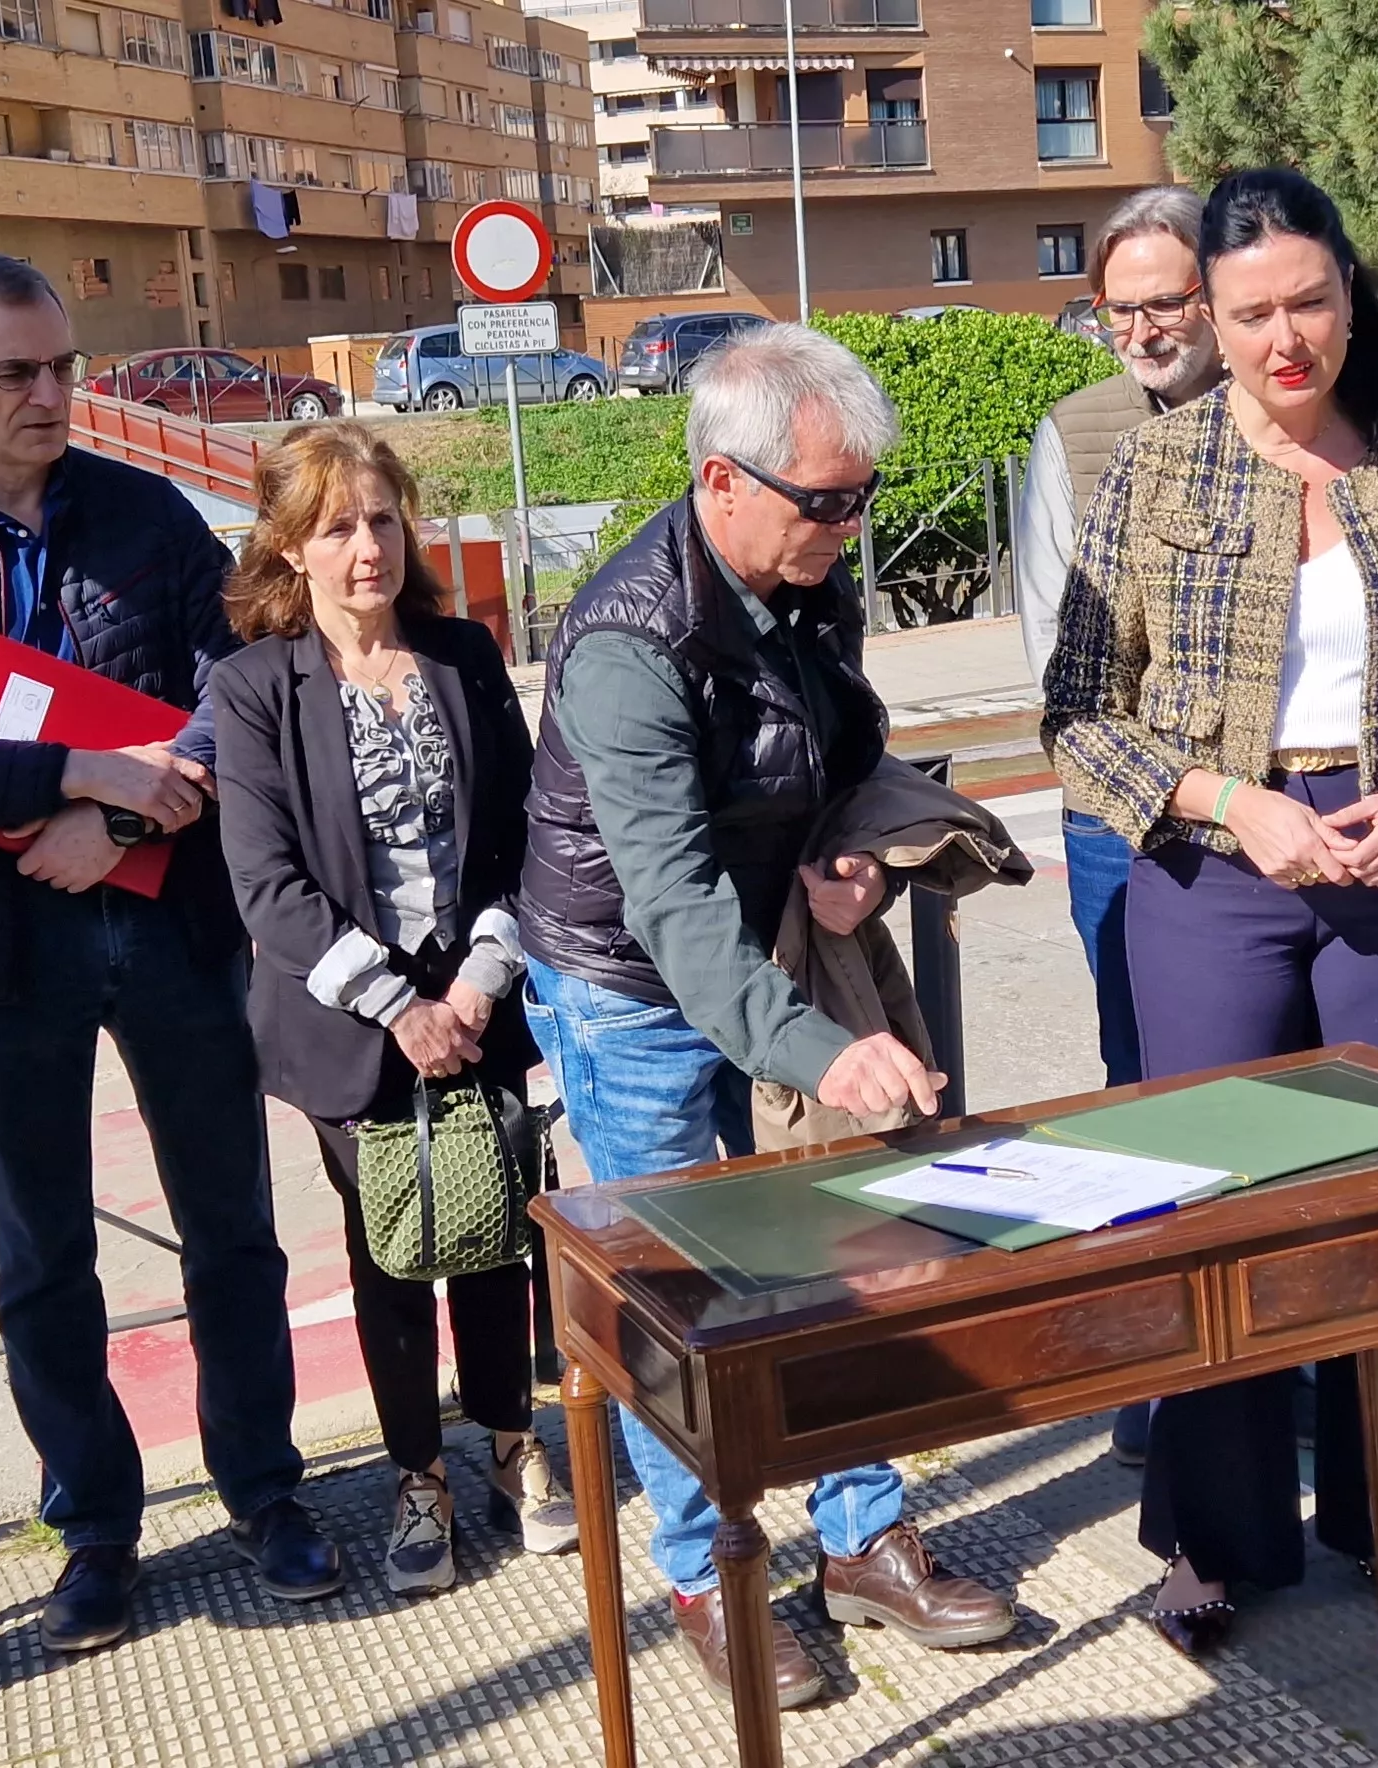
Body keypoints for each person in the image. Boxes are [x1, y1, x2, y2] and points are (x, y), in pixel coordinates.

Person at [1043, 167, 1378, 1656]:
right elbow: (1077, 712)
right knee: (1207, 1214)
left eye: (1308, 302)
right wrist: (1226, 802)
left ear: (1347, 293)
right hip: (1210, 882)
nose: (1283, 339)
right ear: (1206, 312)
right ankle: (1211, 1537)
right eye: (1249, 311)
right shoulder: (1155, 471)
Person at [0, 254, 342, 1653]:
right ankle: (94, 1526)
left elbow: (238, 687)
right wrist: (72, 777)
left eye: (64, 369)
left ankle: (265, 1491)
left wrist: (112, 818)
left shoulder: (149, 512)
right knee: (43, 1256)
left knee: (230, 1227)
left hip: (169, 918)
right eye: (17, 373)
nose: (52, 395)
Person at [517, 323, 1015, 1709]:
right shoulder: (628, 642)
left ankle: (858, 1537)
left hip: (770, 947)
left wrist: (855, 849)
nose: (848, 529)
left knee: (836, 1252)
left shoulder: (806, 574)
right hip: (630, 990)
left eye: (861, 500)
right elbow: (670, 910)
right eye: (825, 502)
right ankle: (707, 1571)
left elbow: (845, 747)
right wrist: (821, 1049)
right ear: (718, 481)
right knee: (684, 1305)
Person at [208, 423, 578, 1596]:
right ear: (288, 547)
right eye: (335, 528)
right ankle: (416, 1474)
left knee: (497, 1233)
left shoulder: (463, 655)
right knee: (395, 1250)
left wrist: (474, 981)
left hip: (476, 998)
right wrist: (396, 1008)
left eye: (380, 519)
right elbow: (265, 885)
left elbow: (528, 836)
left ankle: (514, 1444)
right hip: (346, 1026)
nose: (366, 547)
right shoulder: (255, 685)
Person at [1010, 181, 1225, 1468]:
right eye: (1118, 309)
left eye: (1166, 302)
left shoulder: (1291, 415)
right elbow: (1055, 658)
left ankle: (1279, 1354)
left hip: (1277, 825)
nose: (1141, 330)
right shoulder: (1076, 434)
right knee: (1144, 1092)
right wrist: (1155, 789)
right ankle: (1157, 1369)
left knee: (1265, 1091)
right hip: (1122, 829)